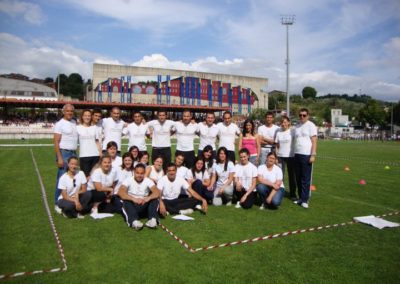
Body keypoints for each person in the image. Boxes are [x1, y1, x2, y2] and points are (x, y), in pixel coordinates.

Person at [118, 164, 160, 230]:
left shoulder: (148, 180)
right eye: (137, 173)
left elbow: (157, 192)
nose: (139, 175)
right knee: (126, 201)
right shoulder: (128, 180)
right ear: (134, 172)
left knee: (155, 199)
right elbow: (120, 192)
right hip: (133, 205)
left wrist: (147, 198)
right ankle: (134, 221)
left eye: (141, 173)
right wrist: (133, 199)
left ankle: (152, 220)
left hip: (144, 204)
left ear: (144, 173)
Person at [53, 103, 78, 213]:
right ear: (63, 112)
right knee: (61, 179)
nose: (70, 113)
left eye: (71, 111)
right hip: (64, 153)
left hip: (73, 153)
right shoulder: (59, 124)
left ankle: (68, 200)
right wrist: (59, 157)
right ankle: (57, 203)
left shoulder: (74, 122)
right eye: (67, 111)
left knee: (72, 179)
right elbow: (56, 141)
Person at [293, 108, 318, 209]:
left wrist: (313, 154)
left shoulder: (311, 125)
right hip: (297, 154)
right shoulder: (297, 126)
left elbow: (314, 140)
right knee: (298, 178)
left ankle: (305, 200)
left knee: (305, 178)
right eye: (300, 115)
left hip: (306, 154)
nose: (302, 117)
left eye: (304, 115)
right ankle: (300, 198)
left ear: (308, 116)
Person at [275, 115, 296, 200]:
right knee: (281, 176)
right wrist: (276, 156)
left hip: (291, 157)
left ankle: (293, 194)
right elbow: (277, 145)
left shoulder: (292, 131)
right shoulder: (279, 132)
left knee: (292, 176)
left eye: (285, 122)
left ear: (288, 123)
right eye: (282, 122)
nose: (283, 124)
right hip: (280, 157)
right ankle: (281, 192)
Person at [77, 109, 102, 177]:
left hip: (95, 156)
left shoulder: (94, 128)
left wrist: (100, 154)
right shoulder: (77, 128)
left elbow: (97, 142)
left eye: (89, 116)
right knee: (85, 177)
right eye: (85, 115)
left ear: (91, 117)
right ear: (82, 117)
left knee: (95, 177)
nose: (87, 117)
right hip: (84, 156)